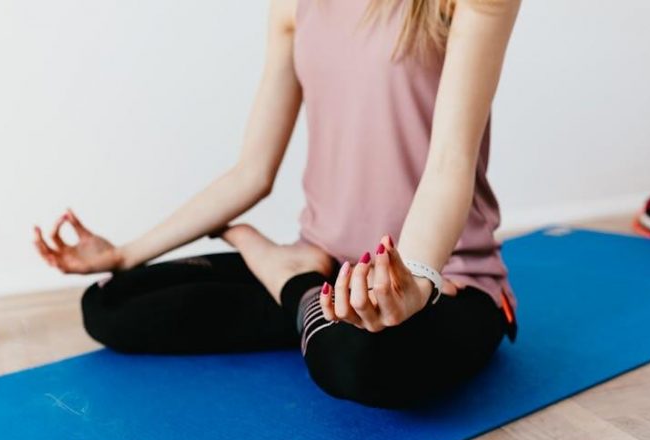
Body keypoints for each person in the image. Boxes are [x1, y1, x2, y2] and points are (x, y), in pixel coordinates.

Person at [33, 0, 521, 409]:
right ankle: (308, 298)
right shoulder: (294, 4)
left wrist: (416, 278)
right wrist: (123, 254)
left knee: (360, 362)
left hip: (445, 277)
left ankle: (292, 284)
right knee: (109, 303)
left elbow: (451, 163)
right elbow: (252, 172)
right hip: (328, 261)